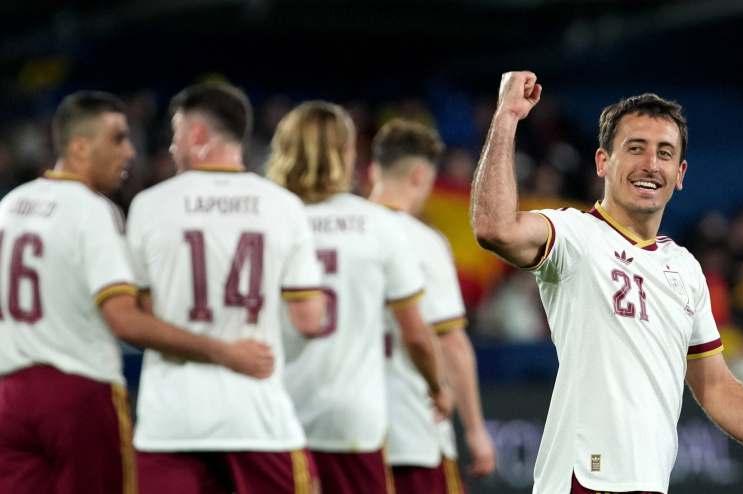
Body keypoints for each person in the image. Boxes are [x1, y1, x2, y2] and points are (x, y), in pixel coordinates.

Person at [470, 72, 743, 494]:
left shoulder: (685, 268)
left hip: (649, 483)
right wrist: (507, 117)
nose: (651, 165)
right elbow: (494, 228)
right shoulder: (574, 235)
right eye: (635, 148)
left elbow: (715, 386)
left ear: (680, 173)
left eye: (664, 153)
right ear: (603, 162)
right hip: (585, 480)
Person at [0, 90, 275, 494]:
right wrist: (222, 351)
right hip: (78, 395)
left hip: (9, 396)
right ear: (79, 147)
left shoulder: (10, 205)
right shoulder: (92, 211)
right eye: (117, 138)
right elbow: (124, 321)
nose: (129, 152)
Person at [127, 82, 326, 494]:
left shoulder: (149, 205)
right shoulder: (283, 205)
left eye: (177, 133)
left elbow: (139, 319)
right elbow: (309, 320)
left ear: (197, 135)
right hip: (257, 416)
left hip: (170, 421)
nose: (172, 146)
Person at [265, 101, 453, 494]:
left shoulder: (266, 220)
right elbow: (416, 335)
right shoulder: (378, 225)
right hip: (350, 418)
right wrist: (437, 387)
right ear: (346, 153)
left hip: (275, 410)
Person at [368, 118, 497, 493]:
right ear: (420, 175)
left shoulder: (339, 233)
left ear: (373, 170)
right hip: (412, 426)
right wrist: (475, 431)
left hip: (341, 431)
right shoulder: (422, 241)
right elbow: (450, 343)